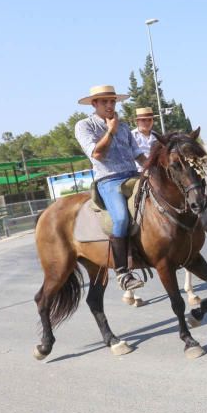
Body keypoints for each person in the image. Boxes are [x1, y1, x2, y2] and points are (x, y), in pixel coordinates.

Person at [74, 85, 147, 291]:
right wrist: (111, 130)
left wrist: (153, 167)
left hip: (134, 175)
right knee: (122, 218)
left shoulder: (124, 126)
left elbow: (137, 154)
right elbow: (96, 154)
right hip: (109, 180)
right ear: (94, 104)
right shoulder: (85, 126)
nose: (109, 105)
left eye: (112, 101)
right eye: (104, 101)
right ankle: (123, 272)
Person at [131, 106, 159, 172]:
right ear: (137, 121)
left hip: (156, 172)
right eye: (143, 120)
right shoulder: (131, 136)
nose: (147, 123)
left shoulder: (157, 136)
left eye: (149, 120)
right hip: (137, 172)